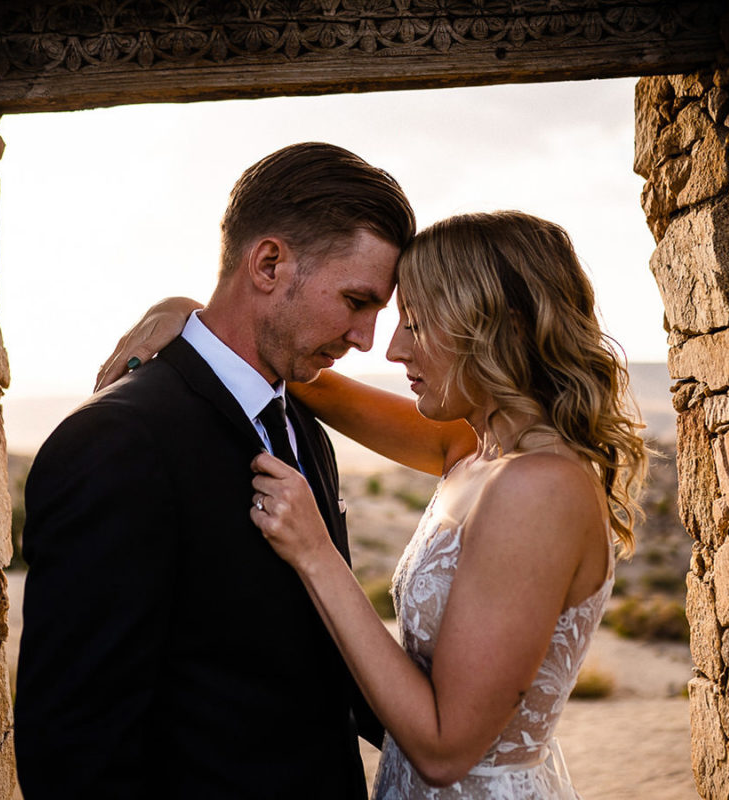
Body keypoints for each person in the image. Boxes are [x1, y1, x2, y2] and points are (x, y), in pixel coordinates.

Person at [108, 210, 648, 798]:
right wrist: (199, 318)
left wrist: (316, 554)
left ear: (503, 329)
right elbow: (306, 379)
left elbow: (444, 750)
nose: (392, 349)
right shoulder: (474, 448)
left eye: (417, 325)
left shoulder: (539, 488)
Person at [13, 142, 415, 799]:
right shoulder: (116, 442)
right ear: (268, 263)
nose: (368, 338)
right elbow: (74, 747)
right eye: (355, 300)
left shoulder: (305, 431)